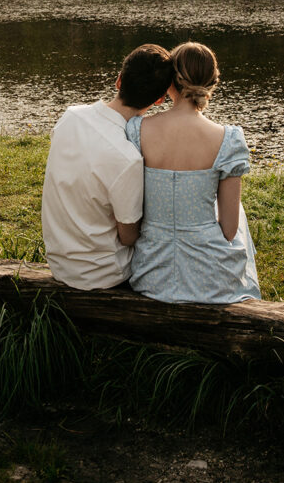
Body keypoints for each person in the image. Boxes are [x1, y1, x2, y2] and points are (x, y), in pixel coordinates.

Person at [125, 41, 261, 304]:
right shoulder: (227, 139)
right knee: (238, 212)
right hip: (210, 279)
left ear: (170, 82)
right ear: (211, 83)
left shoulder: (137, 130)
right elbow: (230, 230)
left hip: (151, 273)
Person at [41, 43, 173, 290]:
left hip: (60, 263)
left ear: (118, 80)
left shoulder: (70, 116)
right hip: (102, 275)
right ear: (159, 99)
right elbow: (128, 237)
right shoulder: (127, 157)